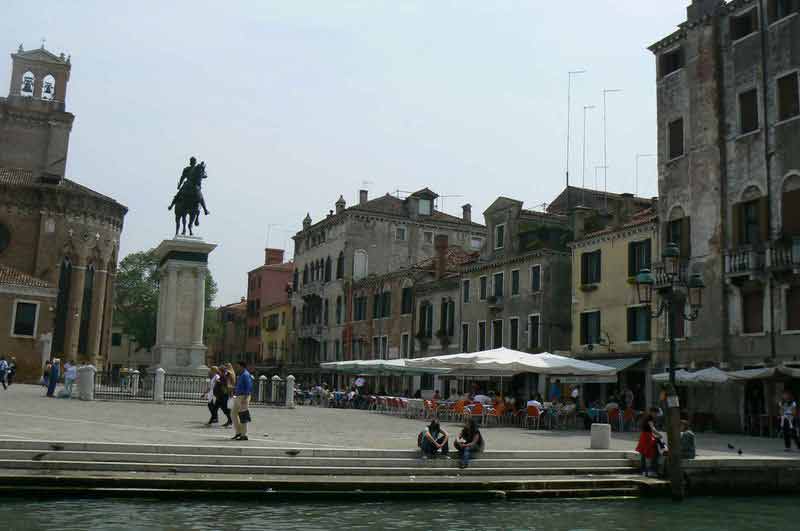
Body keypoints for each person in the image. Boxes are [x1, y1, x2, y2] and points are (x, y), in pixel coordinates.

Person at [231, 361, 253, 441]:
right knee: (233, 414)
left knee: (243, 415)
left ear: (242, 366)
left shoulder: (245, 375)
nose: (236, 368)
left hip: (243, 396)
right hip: (238, 396)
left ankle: (244, 434)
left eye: (238, 366)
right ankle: (238, 432)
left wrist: (245, 398)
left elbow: (249, 386)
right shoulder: (241, 375)